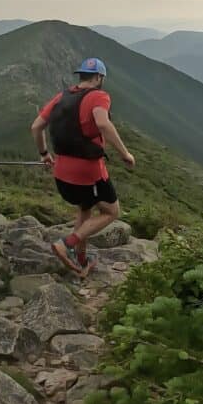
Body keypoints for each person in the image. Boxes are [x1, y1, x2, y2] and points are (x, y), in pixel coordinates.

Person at [30, 57, 135, 278]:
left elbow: (36, 126)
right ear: (99, 77)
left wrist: (44, 154)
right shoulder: (99, 96)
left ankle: (81, 261)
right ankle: (66, 244)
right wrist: (125, 154)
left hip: (61, 173)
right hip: (88, 172)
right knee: (112, 211)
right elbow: (103, 123)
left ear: (81, 76)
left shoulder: (62, 97)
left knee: (85, 209)